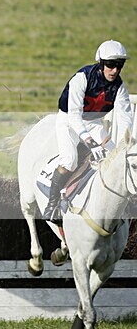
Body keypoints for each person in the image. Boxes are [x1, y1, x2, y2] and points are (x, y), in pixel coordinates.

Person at [43, 39, 132, 221]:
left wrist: (125, 144)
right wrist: (91, 143)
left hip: (93, 123)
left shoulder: (120, 87)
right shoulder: (82, 78)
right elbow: (74, 116)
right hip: (68, 120)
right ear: (101, 63)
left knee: (112, 157)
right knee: (69, 160)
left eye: (119, 65)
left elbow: (124, 119)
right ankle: (51, 205)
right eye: (110, 65)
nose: (115, 70)